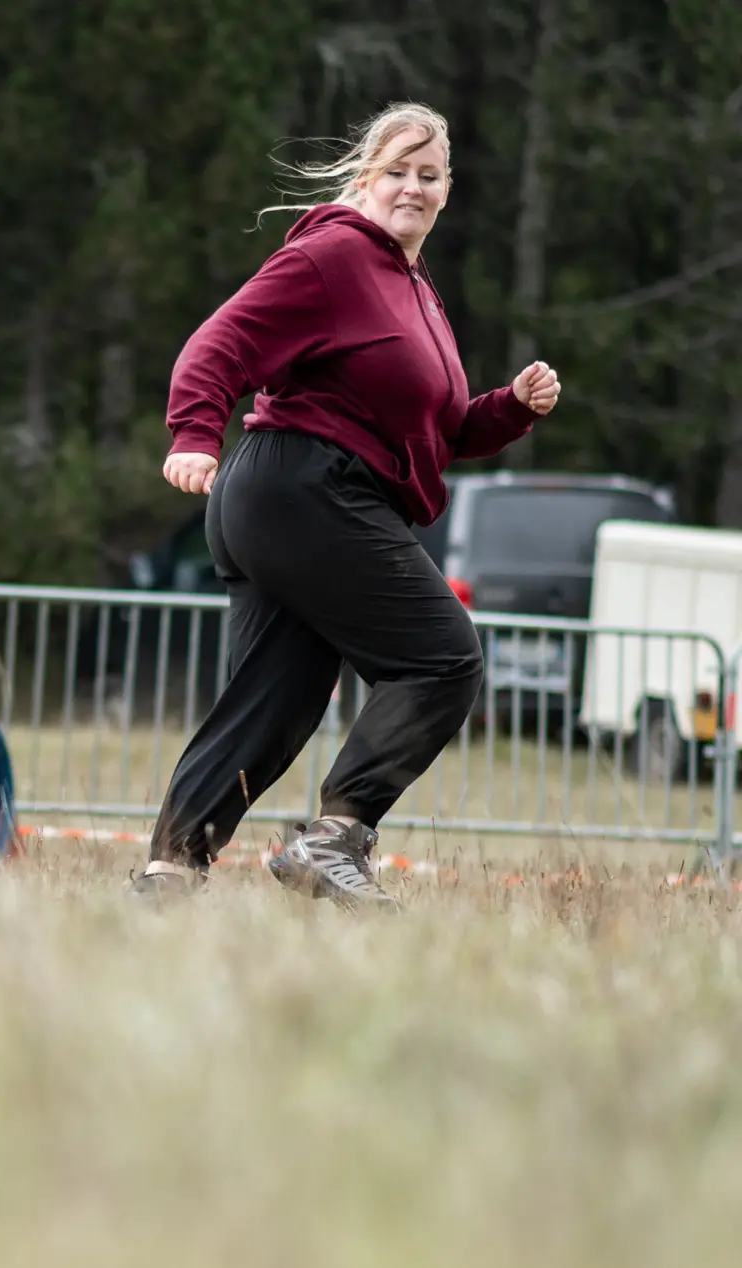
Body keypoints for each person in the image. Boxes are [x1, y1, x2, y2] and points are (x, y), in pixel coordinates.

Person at [127, 102, 562, 909]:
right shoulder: (334, 255)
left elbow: (435, 430)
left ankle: (169, 874)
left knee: (274, 703)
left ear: (446, 191)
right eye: (396, 170)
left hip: (288, 497)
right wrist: (193, 433)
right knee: (444, 657)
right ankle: (337, 839)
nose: (413, 187)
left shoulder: (414, 290)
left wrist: (510, 408)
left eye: (429, 176)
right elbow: (218, 344)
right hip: (303, 488)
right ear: (366, 177)